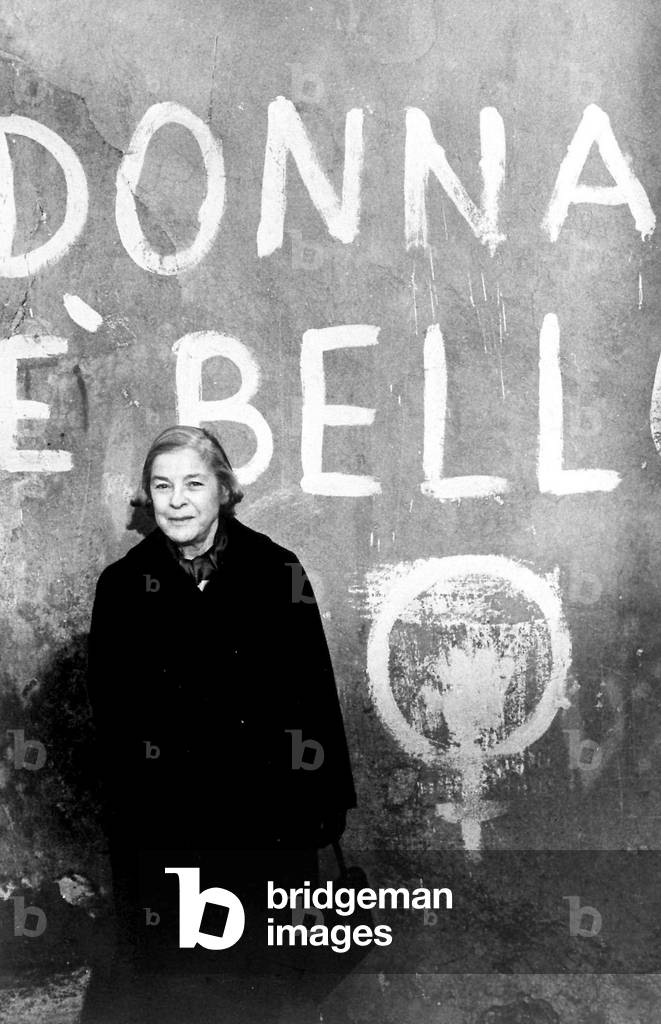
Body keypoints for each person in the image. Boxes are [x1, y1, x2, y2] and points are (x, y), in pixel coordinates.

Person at [84, 425, 356, 1009]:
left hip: (265, 821)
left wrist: (322, 807)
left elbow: (313, 693)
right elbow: (111, 715)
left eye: (193, 483)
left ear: (224, 491)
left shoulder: (277, 571)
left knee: (263, 982)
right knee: (174, 984)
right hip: (165, 823)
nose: (176, 499)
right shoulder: (124, 587)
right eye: (161, 486)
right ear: (147, 497)